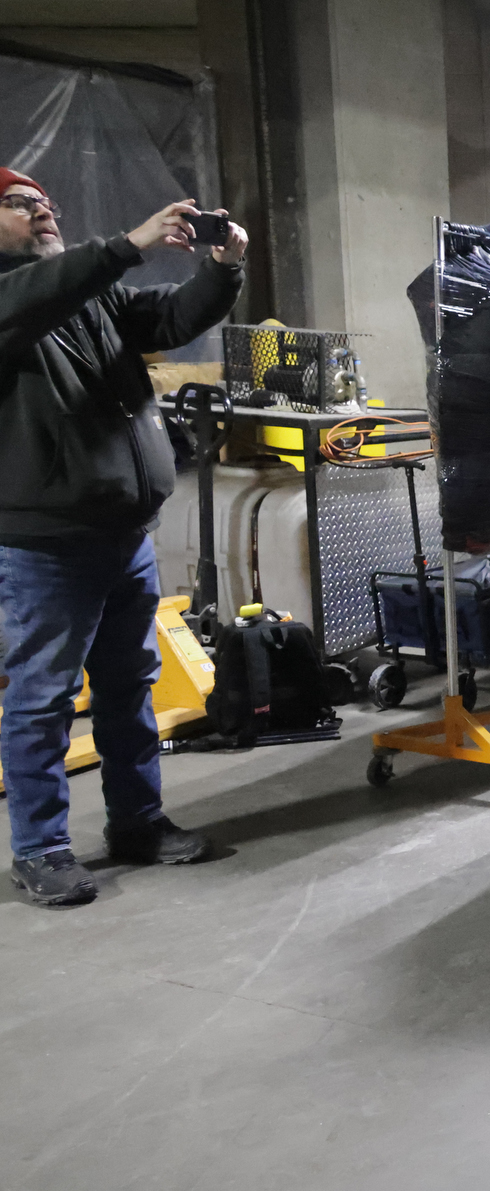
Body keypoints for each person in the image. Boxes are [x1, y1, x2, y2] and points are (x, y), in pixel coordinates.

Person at [0, 169, 246, 908]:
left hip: (124, 534)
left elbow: (169, 320)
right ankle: (41, 849)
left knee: (127, 689)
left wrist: (222, 269)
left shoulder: (87, 295)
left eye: (48, 202)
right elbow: (36, 296)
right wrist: (127, 244)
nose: (43, 211)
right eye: (20, 204)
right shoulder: (19, 300)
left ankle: (137, 823)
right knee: (43, 701)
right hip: (47, 545)